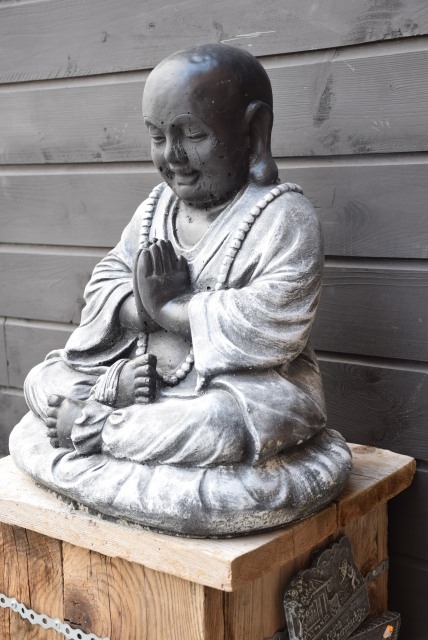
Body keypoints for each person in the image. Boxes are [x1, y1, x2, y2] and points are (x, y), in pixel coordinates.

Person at [10, 44, 351, 536]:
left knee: (221, 424)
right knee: (45, 380)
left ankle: (96, 428)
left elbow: (274, 322)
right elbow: (106, 280)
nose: (174, 157)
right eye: (157, 136)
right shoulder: (155, 208)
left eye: (193, 135)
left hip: (242, 391)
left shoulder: (281, 216)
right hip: (139, 379)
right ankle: (102, 413)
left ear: (253, 132)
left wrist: (173, 309)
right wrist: (141, 311)